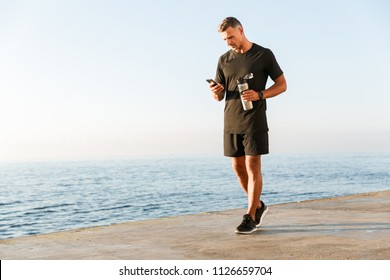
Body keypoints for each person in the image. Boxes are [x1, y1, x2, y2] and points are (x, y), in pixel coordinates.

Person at [209, 17, 287, 234]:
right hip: (231, 121)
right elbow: (220, 95)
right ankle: (259, 206)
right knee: (238, 167)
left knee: (253, 167)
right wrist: (217, 92)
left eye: (231, 37)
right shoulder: (224, 59)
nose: (228, 42)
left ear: (241, 30)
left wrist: (260, 94)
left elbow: (282, 85)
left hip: (254, 121)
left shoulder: (263, 54)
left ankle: (250, 216)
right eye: (224, 39)